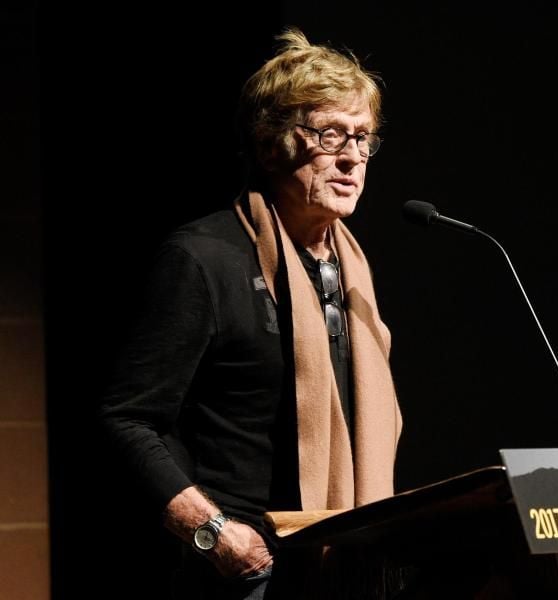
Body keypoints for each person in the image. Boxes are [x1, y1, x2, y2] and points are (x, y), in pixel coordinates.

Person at [97, 26, 402, 600]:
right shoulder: (203, 258)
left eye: (363, 139)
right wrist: (213, 533)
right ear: (270, 145)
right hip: (246, 569)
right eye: (330, 135)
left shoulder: (352, 267)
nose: (352, 159)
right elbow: (126, 420)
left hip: (342, 566)